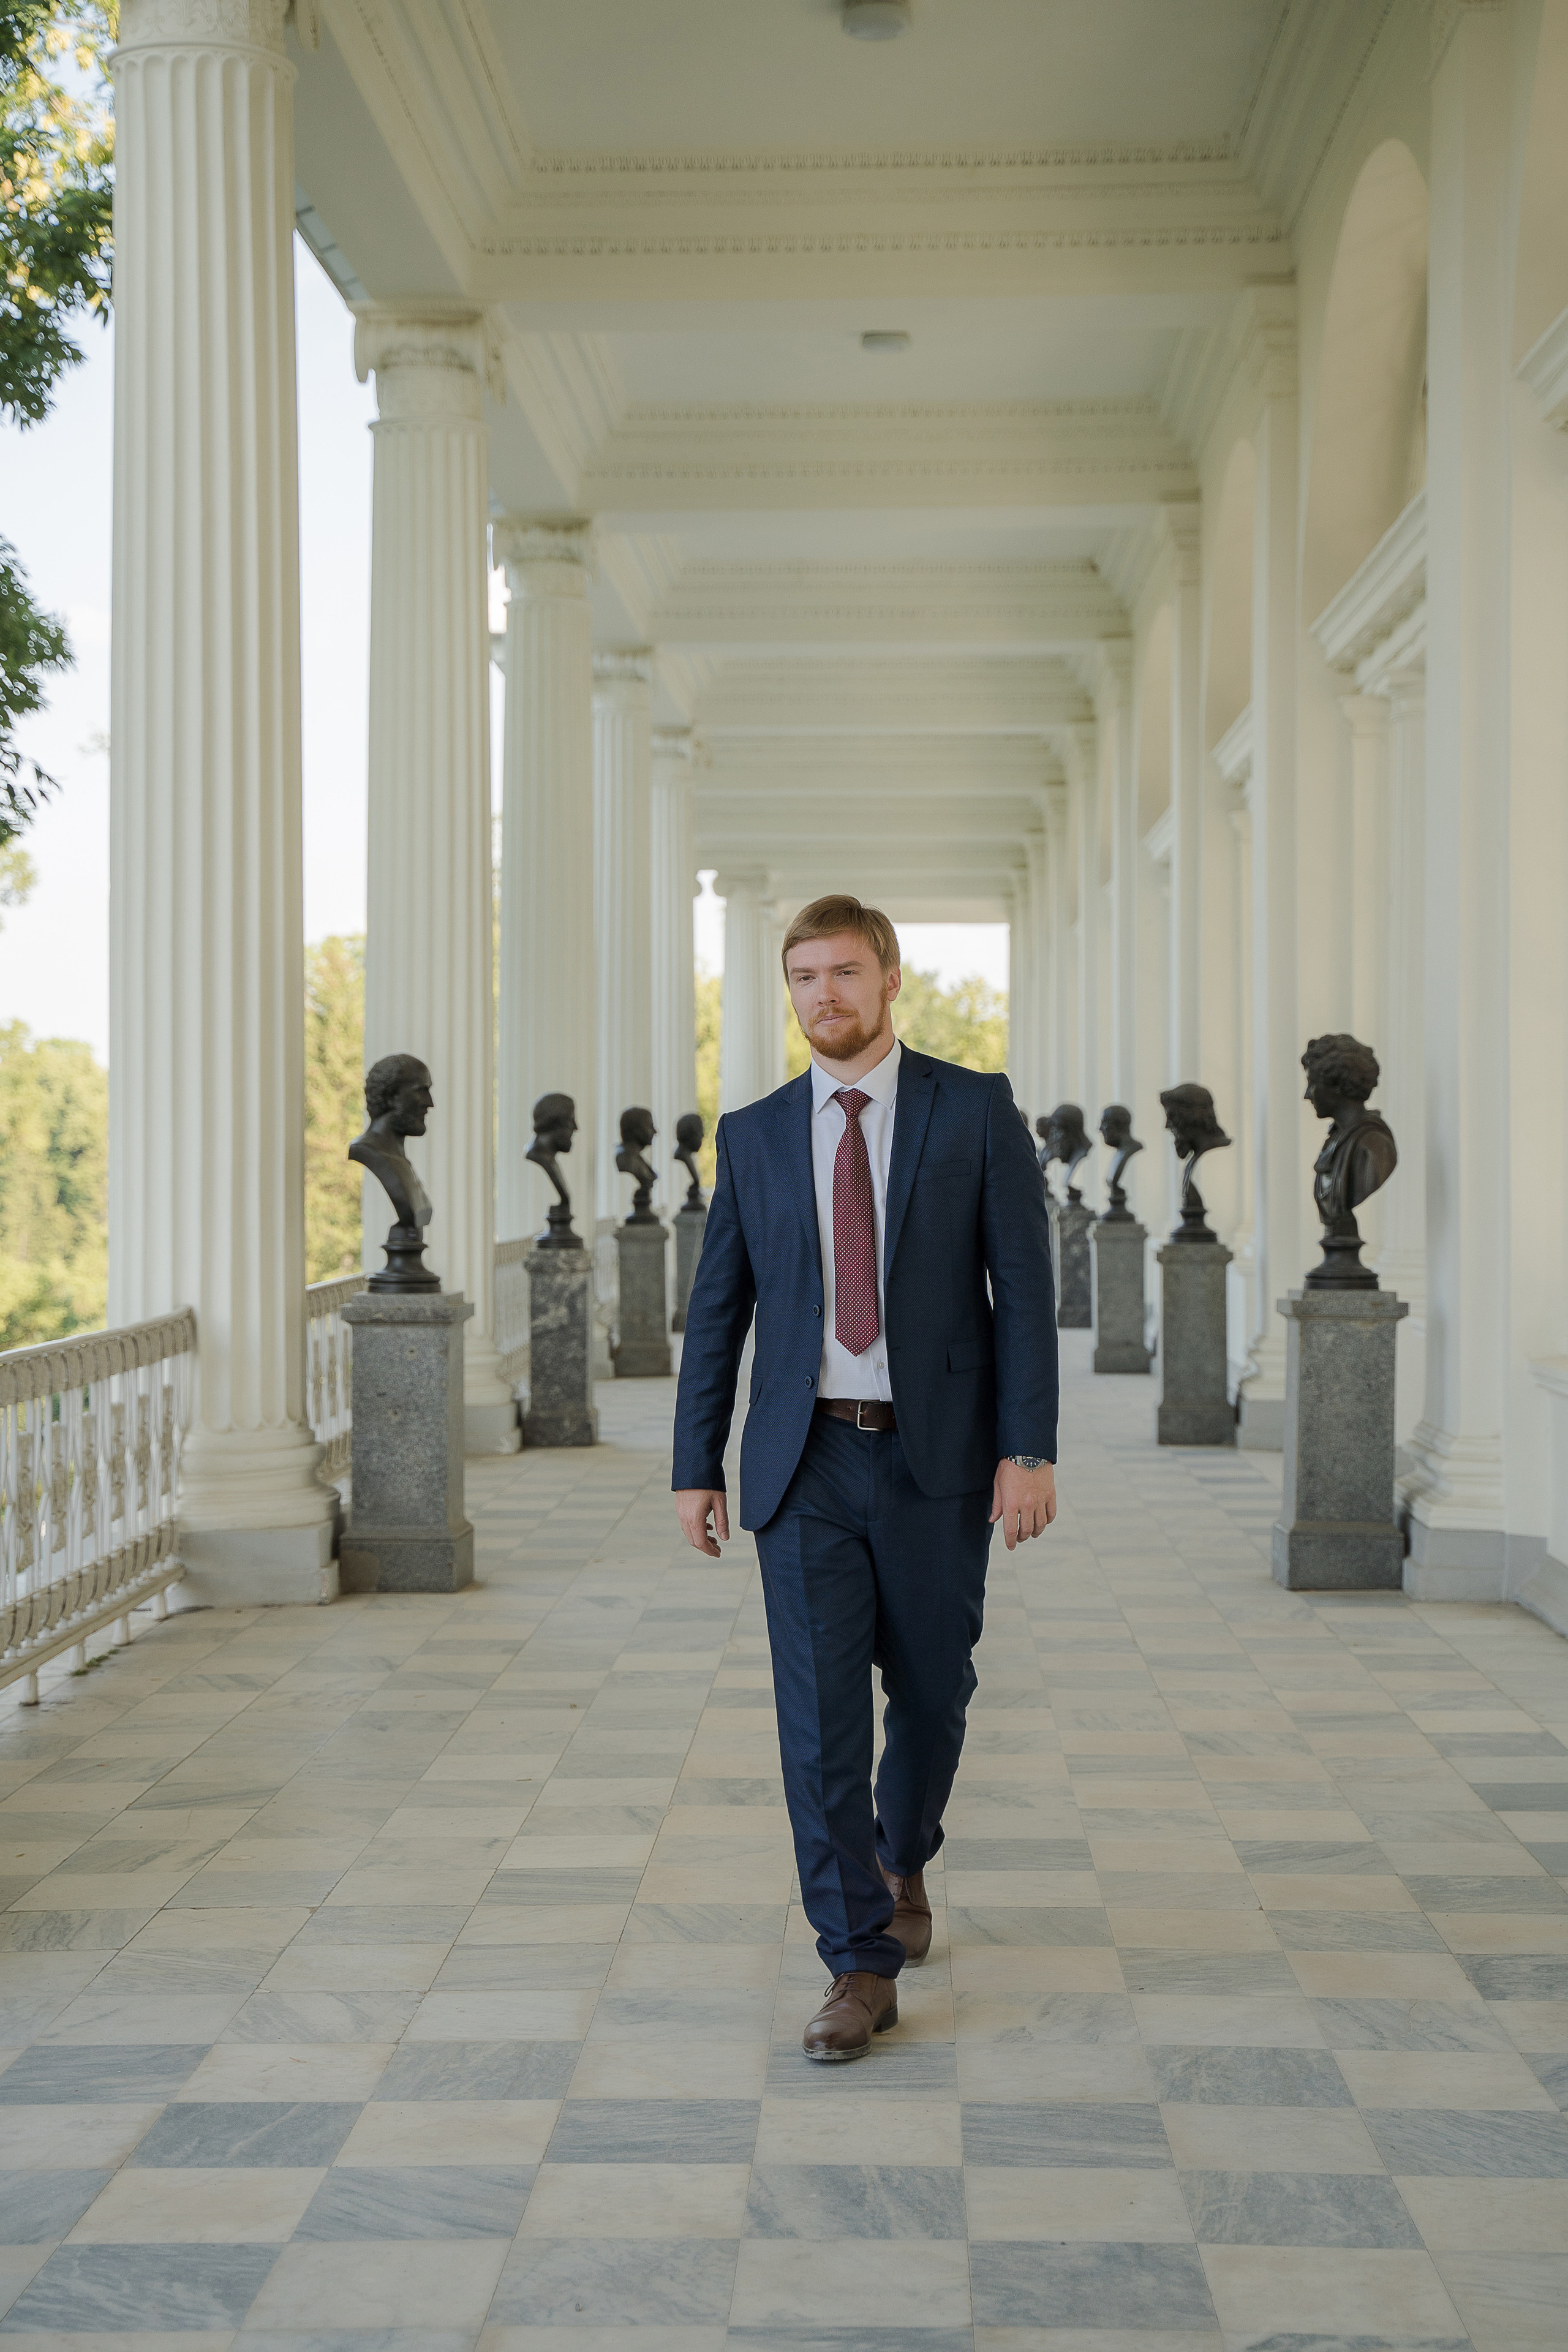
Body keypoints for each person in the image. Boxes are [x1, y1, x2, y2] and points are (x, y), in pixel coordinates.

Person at [673, 894, 1059, 2062]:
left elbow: (1023, 1292)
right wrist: (696, 1464)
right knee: (820, 1722)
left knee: (934, 1694)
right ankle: (856, 1960)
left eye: (844, 972)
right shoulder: (753, 1133)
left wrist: (1028, 1451)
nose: (823, 995)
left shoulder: (973, 1108)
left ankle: (904, 1853)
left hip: (936, 1457)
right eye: (804, 976)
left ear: (890, 980)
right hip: (804, 1463)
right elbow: (719, 1309)